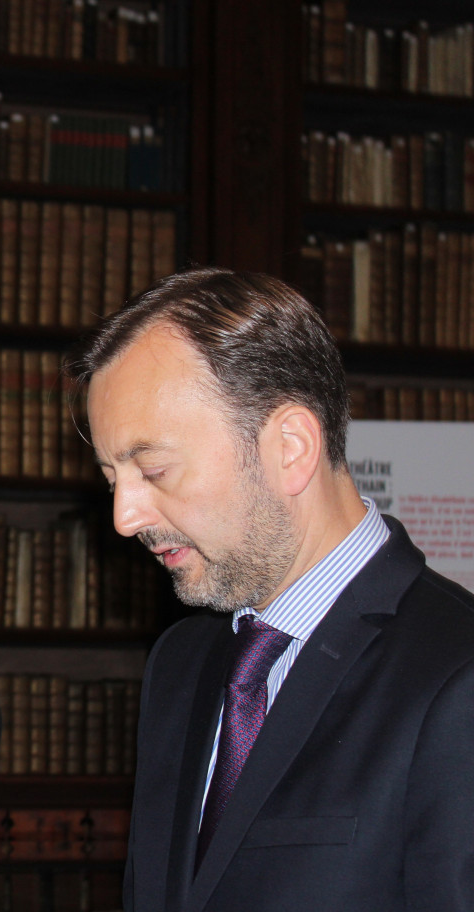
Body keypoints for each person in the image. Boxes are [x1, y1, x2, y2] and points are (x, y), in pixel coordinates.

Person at [66, 266, 474, 912]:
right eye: (113, 477)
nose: (124, 517)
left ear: (290, 447)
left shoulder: (457, 674)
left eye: (153, 469)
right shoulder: (179, 664)